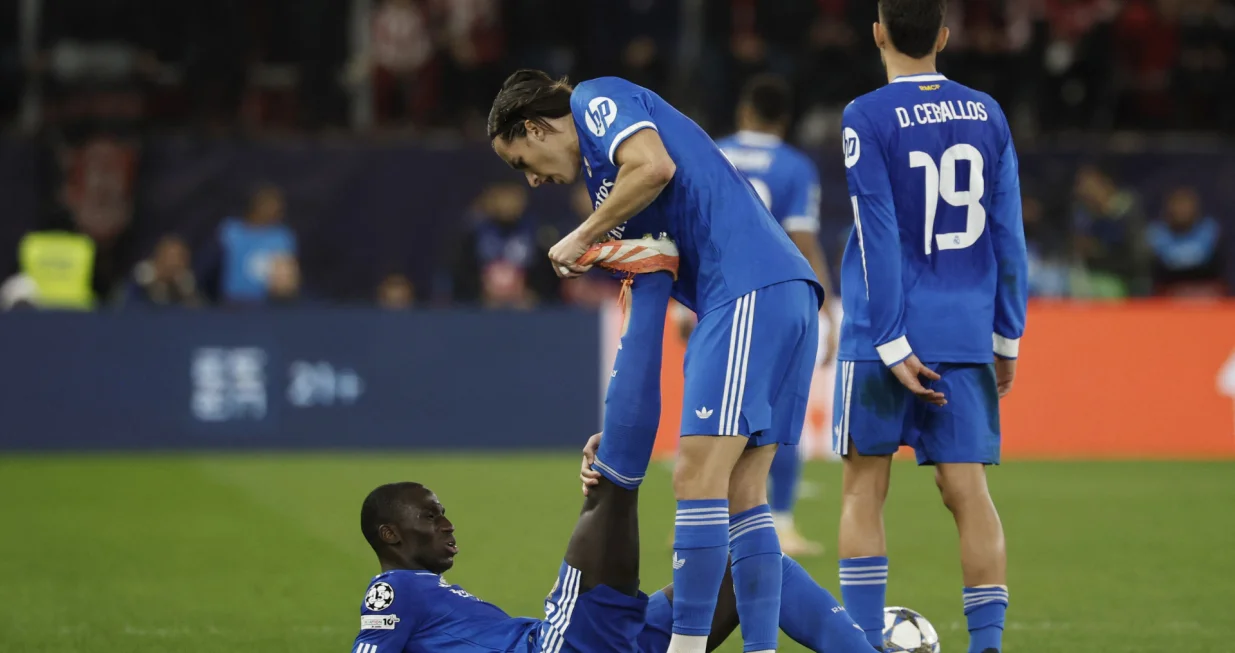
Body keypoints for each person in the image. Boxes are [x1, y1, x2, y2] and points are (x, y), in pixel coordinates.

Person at [488, 69, 823, 653]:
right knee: (745, 494)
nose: (533, 180)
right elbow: (655, 266)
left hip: (744, 287)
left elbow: (655, 165)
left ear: (535, 127)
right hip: (781, 292)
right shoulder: (606, 186)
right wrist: (615, 433)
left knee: (697, 478)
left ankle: (686, 650)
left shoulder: (597, 98)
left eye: (521, 161)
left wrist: (581, 236)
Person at [832, 1, 1028, 652]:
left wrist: (888, 339)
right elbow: (1008, 235)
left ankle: (861, 640)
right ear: (943, 36)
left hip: (879, 334)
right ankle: (987, 646)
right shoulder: (988, 113)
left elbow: (877, 234)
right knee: (968, 491)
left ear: (877, 34)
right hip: (964, 329)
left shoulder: (864, 116)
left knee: (863, 486)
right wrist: (1006, 336)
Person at [349, 469, 875, 653]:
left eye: (443, 513)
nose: (447, 524)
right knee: (611, 492)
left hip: (594, 639)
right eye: (431, 516)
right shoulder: (394, 589)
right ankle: (613, 462)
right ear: (390, 535)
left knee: (756, 569)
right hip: (558, 646)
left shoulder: (433, 594)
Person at [709, 73, 839, 557]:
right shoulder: (794, 166)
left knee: (716, 413)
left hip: (718, 298)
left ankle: (701, 519)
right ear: (783, 120)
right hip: (774, 297)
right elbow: (802, 240)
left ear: (744, 111)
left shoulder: (713, 151)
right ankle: (778, 523)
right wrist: (824, 305)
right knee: (781, 414)